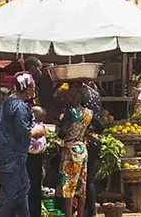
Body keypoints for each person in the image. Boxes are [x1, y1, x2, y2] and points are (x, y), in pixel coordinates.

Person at [0, 72, 36, 217]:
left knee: (22, 189)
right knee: (10, 197)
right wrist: (37, 131)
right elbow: (24, 133)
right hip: (13, 157)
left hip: (4, 155)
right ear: (28, 89)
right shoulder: (20, 107)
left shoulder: (4, 104)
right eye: (33, 87)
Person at [57, 84, 92, 217]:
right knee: (81, 185)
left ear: (75, 98)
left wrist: (59, 136)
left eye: (67, 97)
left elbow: (63, 132)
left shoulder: (71, 112)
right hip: (82, 149)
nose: (65, 99)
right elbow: (98, 125)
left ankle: (69, 214)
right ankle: (81, 214)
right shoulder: (88, 113)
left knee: (69, 184)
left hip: (70, 151)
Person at [80, 82, 105, 217]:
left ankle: (85, 212)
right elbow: (100, 124)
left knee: (83, 180)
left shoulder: (79, 106)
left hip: (85, 142)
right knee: (89, 180)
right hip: (95, 140)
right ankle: (90, 212)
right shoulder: (94, 92)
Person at [27, 106, 48, 217]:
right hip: (36, 159)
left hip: (31, 159)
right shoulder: (38, 126)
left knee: (32, 188)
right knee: (34, 188)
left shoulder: (35, 127)